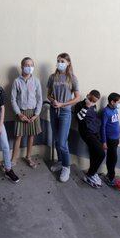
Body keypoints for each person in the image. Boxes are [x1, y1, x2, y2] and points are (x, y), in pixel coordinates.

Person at [47, 53, 80, 182]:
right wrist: (53, 101)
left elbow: (77, 98)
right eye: (58, 61)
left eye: (62, 61)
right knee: (56, 139)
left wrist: (63, 104)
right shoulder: (52, 77)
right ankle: (60, 161)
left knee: (62, 142)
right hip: (53, 110)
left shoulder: (72, 78)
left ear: (68, 63)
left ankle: (66, 167)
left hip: (65, 112)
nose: (59, 63)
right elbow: (48, 94)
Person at [10, 57, 43, 168]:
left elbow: (39, 98)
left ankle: (28, 157)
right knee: (18, 136)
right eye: (26, 65)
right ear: (22, 67)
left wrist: (36, 114)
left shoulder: (36, 81)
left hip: (33, 113)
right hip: (21, 113)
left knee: (31, 136)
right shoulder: (16, 81)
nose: (29, 67)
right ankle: (13, 159)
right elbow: (13, 99)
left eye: (31, 65)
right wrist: (19, 114)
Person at [74, 90, 104, 188]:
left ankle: (92, 173)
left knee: (94, 153)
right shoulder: (80, 105)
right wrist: (86, 106)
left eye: (94, 101)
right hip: (87, 133)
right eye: (91, 100)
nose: (92, 102)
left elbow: (94, 119)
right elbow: (79, 118)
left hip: (95, 133)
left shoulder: (94, 106)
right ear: (88, 95)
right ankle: (91, 174)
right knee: (101, 153)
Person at [100, 92, 120, 186]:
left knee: (114, 158)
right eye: (118, 102)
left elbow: (117, 124)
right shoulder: (106, 111)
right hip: (109, 140)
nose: (119, 104)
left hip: (116, 139)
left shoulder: (115, 110)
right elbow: (103, 127)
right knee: (112, 159)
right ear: (112, 102)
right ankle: (110, 178)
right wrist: (104, 142)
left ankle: (110, 175)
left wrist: (119, 136)